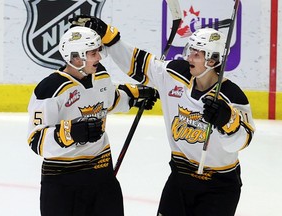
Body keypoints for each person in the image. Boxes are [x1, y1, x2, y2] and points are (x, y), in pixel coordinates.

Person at [69, 16, 256, 216]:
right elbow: (137, 62)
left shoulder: (231, 96)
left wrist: (226, 120)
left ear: (211, 60)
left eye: (196, 54)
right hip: (180, 178)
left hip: (219, 186)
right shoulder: (175, 74)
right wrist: (110, 36)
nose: (189, 58)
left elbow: (242, 141)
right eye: (190, 51)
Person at [27, 26, 158, 216]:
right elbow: (36, 139)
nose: (99, 57)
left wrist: (134, 96)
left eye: (98, 51)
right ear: (75, 57)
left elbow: (110, 100)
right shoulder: (50, 89)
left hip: (101, 175)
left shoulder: (101, 75)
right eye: (93, 53)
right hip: (63, 182)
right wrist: (70, 132)